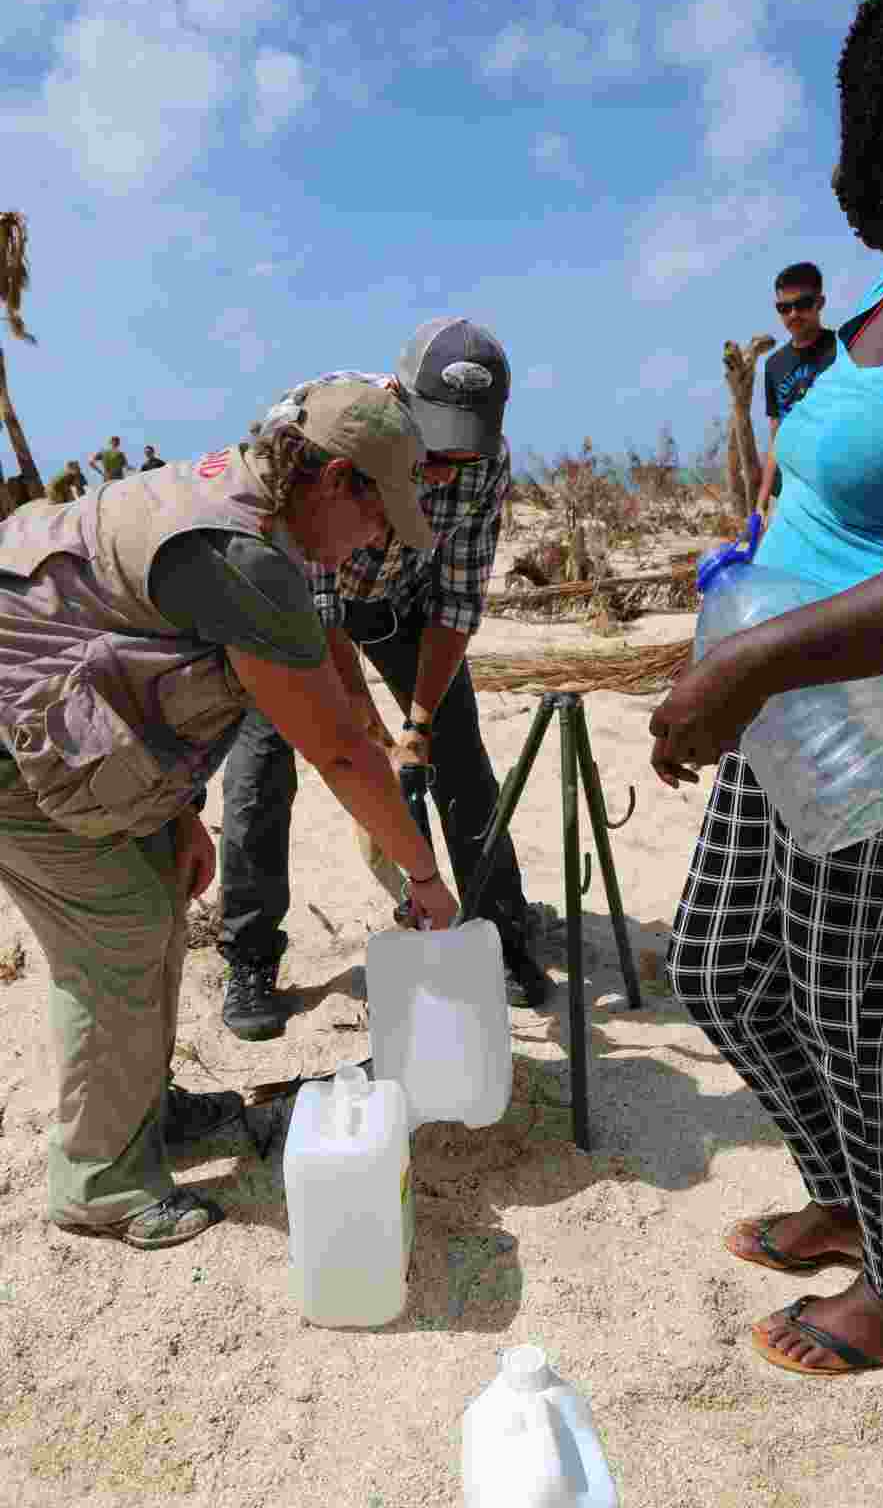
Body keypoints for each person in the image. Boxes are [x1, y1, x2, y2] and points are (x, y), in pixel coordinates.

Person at [651, 0, 883, 1377]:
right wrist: (743, 621)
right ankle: (845, 1193)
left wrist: (750, 659)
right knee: (722, 968)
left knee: (857, 1010)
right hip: (795, 693)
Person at [0, 380, 458, 1249]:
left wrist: (176, 815)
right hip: (13, 741)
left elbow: (129, 654)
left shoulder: (252, 500)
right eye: (379, 517)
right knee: (121, 935)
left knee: (155, 904)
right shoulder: (242, 560)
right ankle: (101, 1184)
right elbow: (342, 754)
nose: (378, 541)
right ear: (332, 481)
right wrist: (425, 878)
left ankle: (144, 1111)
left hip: (61, 718)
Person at [217, 320, 551, 1042]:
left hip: (405, 605)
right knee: (264, 769)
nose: (446, 463)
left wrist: (419, 723)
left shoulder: (485, 465)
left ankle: (500, 933)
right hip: (289, 607)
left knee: (460, 759)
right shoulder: (316, 427)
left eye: (466, 444)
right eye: (435, 445)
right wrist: (366, 731)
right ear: (399, 396)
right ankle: (249, 954)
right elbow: (314, 601)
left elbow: (458, 603)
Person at [754, 263, 836, 522]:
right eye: (784, 308)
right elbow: (776, 433)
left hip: (832, 487)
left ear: (820, 302)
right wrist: (763, 499)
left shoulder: (844, 350)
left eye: (802, 304)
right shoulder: (773, 365)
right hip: (787, 492)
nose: (793, 314)